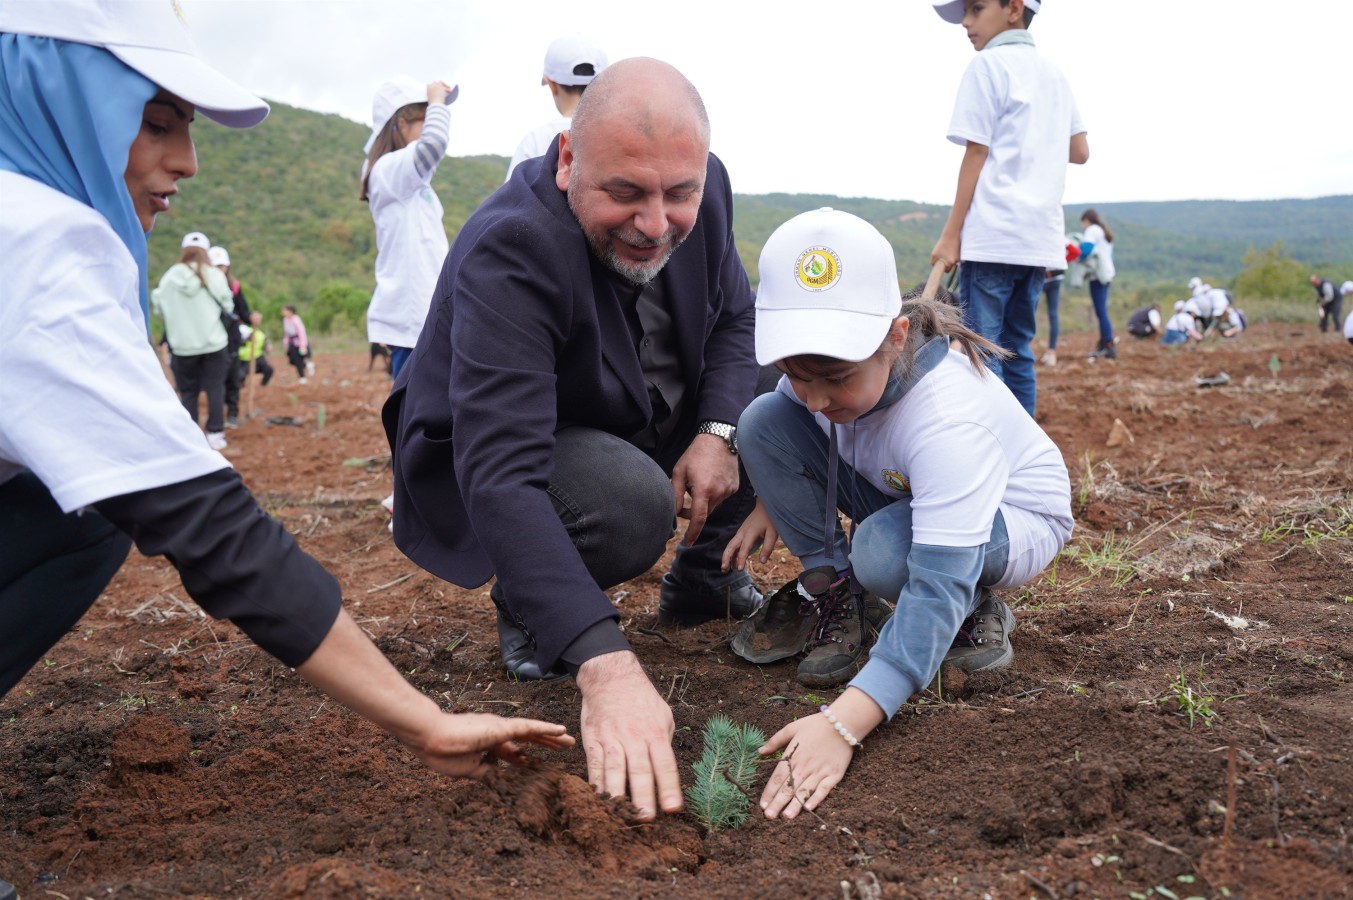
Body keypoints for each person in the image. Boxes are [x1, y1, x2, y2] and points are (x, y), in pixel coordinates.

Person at [0, 0, 572, 799]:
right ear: (59, 101)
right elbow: (206, 522)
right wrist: (421, 719)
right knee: (96, 510)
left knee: (82, 512)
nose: (190, 161)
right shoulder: (35, 242)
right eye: (156, 124)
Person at [384, 58, 761, 821]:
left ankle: (702, 579)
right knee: (627, 502)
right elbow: (499, 470)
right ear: (566, 162)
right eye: (623, 193)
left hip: (635, 408)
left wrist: (718, 433)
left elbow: (734, 324)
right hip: (507, 446)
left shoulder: (704, 187)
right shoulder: (512, 246)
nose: (655, 224)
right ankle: (536, 604)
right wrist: (605, 664)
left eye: (676, 195)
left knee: (776, 406)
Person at [723, 208, 1072, 819]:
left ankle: (976, 602)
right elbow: (787, 418)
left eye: (834, 378)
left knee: (885, 553)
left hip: (1009, 521)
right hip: (908, 491)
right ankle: (839, 592)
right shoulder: (824, 380)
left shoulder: (947, 417)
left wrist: (845, 723)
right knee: (762, 421)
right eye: (795, 373)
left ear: (895, 336)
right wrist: (769, 501)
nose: (816, 399)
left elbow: (934, 577)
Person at [929, 0, 1088, 416]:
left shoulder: (987, 66)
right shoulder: (1054, 75)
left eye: (976, 9)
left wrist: (951, 234)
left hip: (995, 235)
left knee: (983, 354)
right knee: (1018, 351)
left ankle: (997, 455)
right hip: (1038, 241)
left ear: (1014, 8)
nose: (965, 21)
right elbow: (1080, 150)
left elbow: (977, 151)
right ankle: (1025, 461)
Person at [360, 76, 457, 380]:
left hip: (426, 317)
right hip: (413, 320)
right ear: (402, 122)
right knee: (413, 415)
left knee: (429, 415)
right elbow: (435, 143)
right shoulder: (387, 170)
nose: (431, 125)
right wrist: (437, 100)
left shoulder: (407, 180)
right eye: (425, 118)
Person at [151, 234, 235, 450]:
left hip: (182, 346)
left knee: (189, 392)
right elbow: (228, 304)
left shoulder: (170, 277)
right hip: (214, 343)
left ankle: (192, 438)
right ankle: (215, 434)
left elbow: (158, 306)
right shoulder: (214, 275)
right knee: (215, 388)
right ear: (206, 252)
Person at [505, 33, 608, 181]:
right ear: (603, 84)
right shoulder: (619, 134)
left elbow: (511, 201)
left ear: (552, 84)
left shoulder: (535, 141)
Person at [210, 245, 251, 427]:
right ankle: (215, 419)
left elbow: (243, 311)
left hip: (231, 340)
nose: (220, 269)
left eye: (223, 266)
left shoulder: (234, 287)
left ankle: (232, 414)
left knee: (232, 379)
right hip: (209, 339)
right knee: (215, 380)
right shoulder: (202, 287)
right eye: (216, 266)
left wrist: (251, 318)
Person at [1078, 208, 1117, 358]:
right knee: (1102, 310)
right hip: (1107, 272)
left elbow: (1086, 249)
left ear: (1086, 220)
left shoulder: (1092, 230)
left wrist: (1077, 258)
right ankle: (1105, 342)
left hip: (1098, 275)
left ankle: (1108, 345)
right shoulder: (1103, 231)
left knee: (1101, 311)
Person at [239, 310, 275, 389]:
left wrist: (268, 347)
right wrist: (247, 338)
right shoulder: (243, 330)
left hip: (258, 359)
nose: (258, 321)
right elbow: (237, 342)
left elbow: (265, 342)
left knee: (269, 370)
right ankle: (241, 387)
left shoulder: (260, 334)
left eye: (259, 319)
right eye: (256, 318)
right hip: (244, 360)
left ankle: (263, 386)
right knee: (239, 376)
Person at [281, 304, 311, 383]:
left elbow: (302, 333)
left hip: (299, 343)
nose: (283, 312)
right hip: (292, 344)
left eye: (285, 310)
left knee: (299, 361)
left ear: (290, 311)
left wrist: (303, 345)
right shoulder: (285, 320)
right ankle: (307, 367)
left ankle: (302, 377)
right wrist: (286, 342)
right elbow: (287, 333)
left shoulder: (296, 320)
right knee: (293, 360)